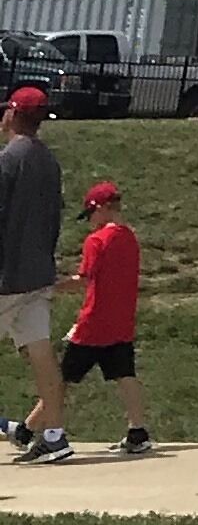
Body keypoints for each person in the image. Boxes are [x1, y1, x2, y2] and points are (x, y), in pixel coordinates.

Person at [29, 179, 147, 460]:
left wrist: (48, 287)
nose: (90, 221)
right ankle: (138, 431)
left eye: (92, 214)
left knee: (60, 378)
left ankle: (29, 428)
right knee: (124, 374)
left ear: (103, 209)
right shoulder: (129, 237)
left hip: (93, 322)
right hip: (121, 319)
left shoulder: (97, 241)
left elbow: (83, 279)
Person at [0, 86, 66, 466]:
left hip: (7, 276)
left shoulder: (9, 159)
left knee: (41, 353)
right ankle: (54, 436)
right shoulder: (48, 161)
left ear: (12, 114)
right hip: (39, 272)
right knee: (42, 354)